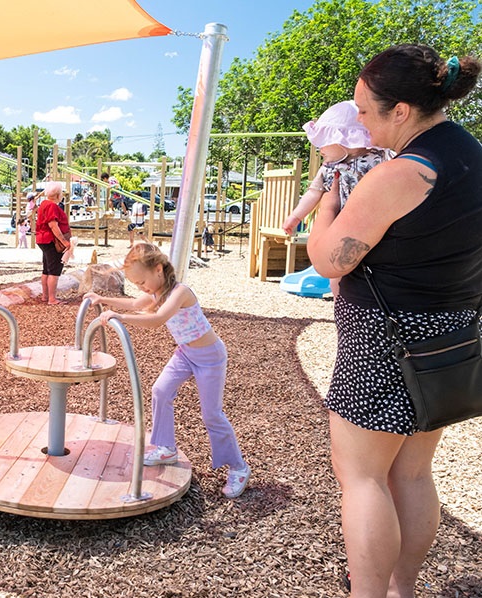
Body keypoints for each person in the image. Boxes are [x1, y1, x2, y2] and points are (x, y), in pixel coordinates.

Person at [306, 45, 482, 598]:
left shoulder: (404, 173)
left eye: (363, 109)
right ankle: (403, 590)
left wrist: (326, 209)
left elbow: (328, 259)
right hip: (444, 341)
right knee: (411, 474)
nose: (357, 120)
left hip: (383, 340)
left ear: (401, 110)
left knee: (361, 479)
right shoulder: (470, 158)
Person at [84, 243, 249, 498]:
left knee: (211, 415)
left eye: (142, 281)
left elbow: (157, 319)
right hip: (186, 353)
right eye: (137, 284)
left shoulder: (180, 292)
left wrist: (120, 317)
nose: (142, 288)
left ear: (158, 269)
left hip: (210, 357)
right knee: (160, 390)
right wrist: (102, 299)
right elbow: (134, 302)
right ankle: (165, 447)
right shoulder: (156, 291)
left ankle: (238, 467)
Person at [283, 101, 388, 236]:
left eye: (323, 142)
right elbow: (313, 193)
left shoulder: (377, 158)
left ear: (344, 140)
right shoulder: (327, 168)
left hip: (373, 223)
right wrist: (296, 216)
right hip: (340, 226)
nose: (320, 151)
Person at [35, 182, 71, 305]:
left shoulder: (43, 204)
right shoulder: (52, 206)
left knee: (46, 269)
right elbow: (53, 226)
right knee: (54, 270)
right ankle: (52, 298)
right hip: (50, 240)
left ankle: (46, 296)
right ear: (57, 194)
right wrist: (65, 241)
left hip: (42, 239)